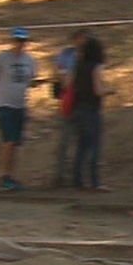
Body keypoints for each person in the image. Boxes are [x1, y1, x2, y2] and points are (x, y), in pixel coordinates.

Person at [0, 27, 37, 192]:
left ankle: (12, 175)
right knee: (7, 141)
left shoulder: (30, 60)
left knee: (15, 143)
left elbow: (31, 79)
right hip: (5, 103)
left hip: (20, 104)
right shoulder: (2, 57)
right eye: (17, 40)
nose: (19, 44)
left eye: (22, 41)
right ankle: (4, 176)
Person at [70, 36, 109, 191]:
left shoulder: (78, 66)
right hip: (92, 109)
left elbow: (71, 84)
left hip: (78, 108)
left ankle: (77, 180)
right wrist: (109, 91)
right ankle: (95, 181)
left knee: (81, 146)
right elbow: (98, 90)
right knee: (94, 146)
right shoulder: (96, 67)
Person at [50, 28, 88, 188]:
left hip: (83, 100)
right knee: (65, 140)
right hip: (68, 100)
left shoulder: (90, 56)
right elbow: (56, 72)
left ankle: (77, 176)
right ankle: (59, 176)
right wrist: (63, 76)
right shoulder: (65, 54)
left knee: (81, 140)